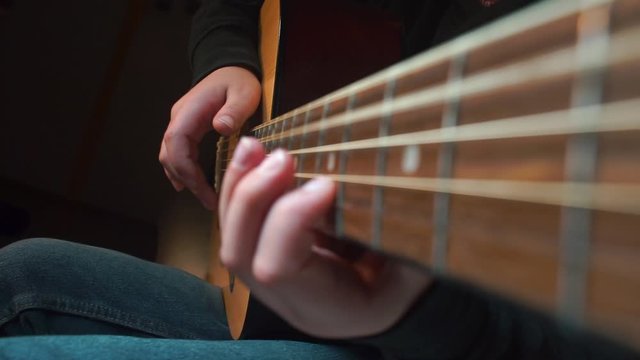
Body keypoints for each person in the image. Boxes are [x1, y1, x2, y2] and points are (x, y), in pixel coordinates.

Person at [1, 1, 638, 359]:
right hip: (305, 301)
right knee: (21, 273)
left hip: (440, 344)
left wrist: (405, 312)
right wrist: (228, 60)